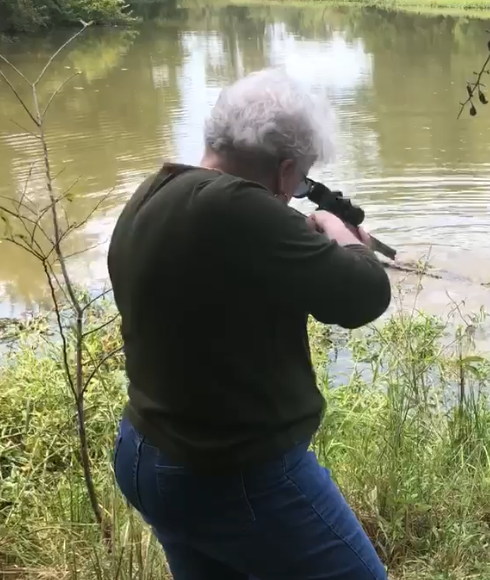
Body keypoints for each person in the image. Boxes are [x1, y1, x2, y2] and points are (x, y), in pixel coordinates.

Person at [107, 68, 392, 580]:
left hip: (148, 451)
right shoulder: (238, 206)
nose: (295, 192)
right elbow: (362, 297)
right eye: (300, 178)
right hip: (233, 471)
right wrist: (342, 235)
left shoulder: (154, 192)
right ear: (284, 171)